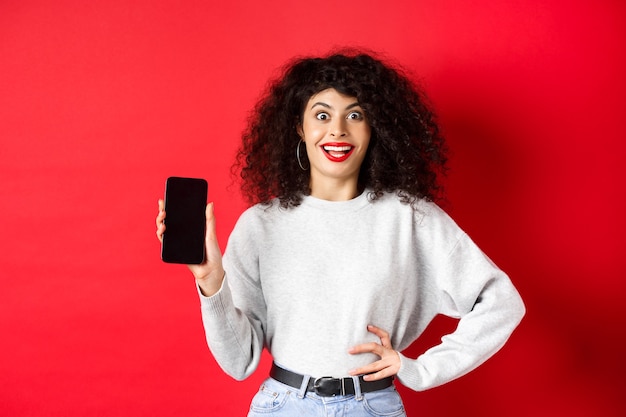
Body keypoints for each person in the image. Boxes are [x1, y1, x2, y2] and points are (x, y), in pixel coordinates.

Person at [156, 50, 525, 417]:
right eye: (322, 115)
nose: (337, 130)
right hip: (282, 407)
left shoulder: (410, 218)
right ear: (299, 127)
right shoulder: (260, 224)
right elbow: (239, 362)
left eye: (355, 115)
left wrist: (420, 370)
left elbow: (501, 303)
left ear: (373, 127)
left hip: (372, 406)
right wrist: (210, 280)